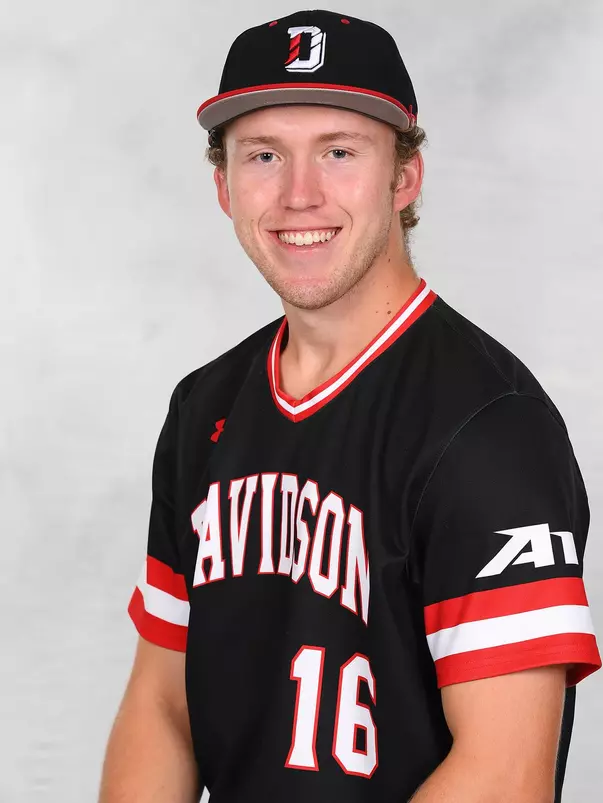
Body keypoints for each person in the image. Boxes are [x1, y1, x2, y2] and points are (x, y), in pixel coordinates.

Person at [98, 9, 601, 803]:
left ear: (404, 177)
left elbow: (504, 776)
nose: (300, 194)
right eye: (264, 155)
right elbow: (163, 704)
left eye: (338, 151)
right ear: (224, 185)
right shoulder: (204, 407)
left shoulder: (490, 427)